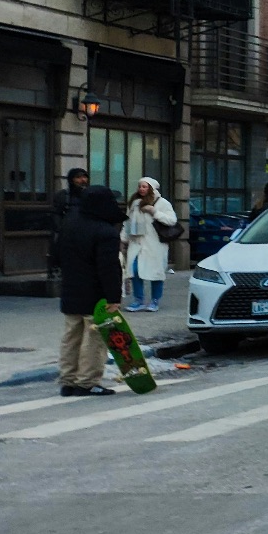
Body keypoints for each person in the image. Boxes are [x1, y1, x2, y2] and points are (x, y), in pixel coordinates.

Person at [58, 185, 126, 396]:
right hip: (96, 294)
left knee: (72, 336)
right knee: (94, 338)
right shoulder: (106, 232)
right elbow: (108, 269)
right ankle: (87, 382)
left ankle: (68, 380)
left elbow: (58, 254)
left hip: (70, 288)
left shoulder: (69, 223)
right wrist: (113, 297)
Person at [121, 177, 178, 312]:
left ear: (151, 188)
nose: (141, 189)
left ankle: (155, 300)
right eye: (140, 186)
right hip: (136, 243)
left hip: (155, 245)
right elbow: (127, 222)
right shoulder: (134, 203)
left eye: (145, 186)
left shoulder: (162, 203)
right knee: (134, 271)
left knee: (155, 273)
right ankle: (138, 300)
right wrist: (123, 238)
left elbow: (172, 220)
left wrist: (154, 212)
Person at [47, 167, 90, 278]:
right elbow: (55, 214)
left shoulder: (91, 195)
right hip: (68, 237)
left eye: (84, 177)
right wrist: (62, 229)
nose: (83, 180)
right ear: (71, 180)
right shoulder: (63, 196)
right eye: (78, 177)